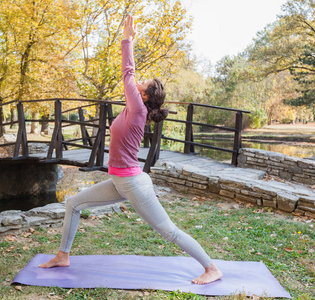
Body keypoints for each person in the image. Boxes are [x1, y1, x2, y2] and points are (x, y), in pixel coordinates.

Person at [39, 15, 223, 285]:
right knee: (73, 204)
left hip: (133, 184)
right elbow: (129, 79)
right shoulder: (134, 109)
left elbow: (128, 72)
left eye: (143, 83)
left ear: (144, 96)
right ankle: (63, 255)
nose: (138, 83)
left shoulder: (137, 108)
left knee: (168, 230)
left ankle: (211, 267)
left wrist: (128, 39)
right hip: (120, 181)